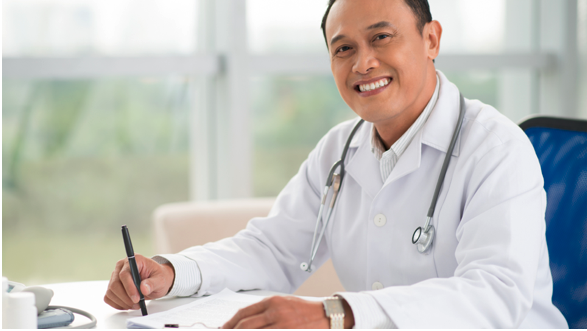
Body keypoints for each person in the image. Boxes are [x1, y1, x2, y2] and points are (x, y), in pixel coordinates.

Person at [104, 0, 568, 328]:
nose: (363, 63)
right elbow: (274, 249)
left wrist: (336, 314)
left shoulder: (495, 147)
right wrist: (172, 271)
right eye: (343, 48)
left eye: (381, 38)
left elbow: (494, 296)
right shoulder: (339, 151)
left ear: (431, 39)